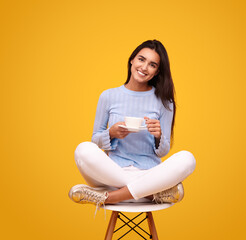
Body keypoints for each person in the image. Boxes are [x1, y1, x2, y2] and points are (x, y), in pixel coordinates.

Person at [69, 40, 196, 209]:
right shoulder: (108, 96)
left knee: (188, 159)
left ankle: (109, 198)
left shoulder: (165, 102)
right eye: (141, 59)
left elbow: (164, 150)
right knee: (83, 149)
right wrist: (111, 133)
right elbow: (95, 140)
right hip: (114, 175)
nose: (144, 67)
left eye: (152, 65)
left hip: (150, 173)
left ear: (157, 71)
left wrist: (158, 136)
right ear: (132, 60)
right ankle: (151, 195)